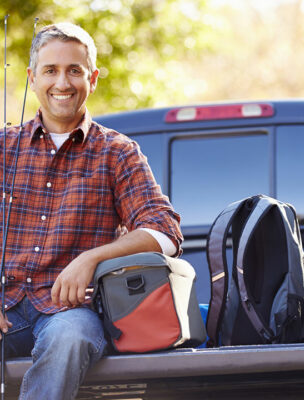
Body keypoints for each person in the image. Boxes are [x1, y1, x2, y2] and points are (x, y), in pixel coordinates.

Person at [0, 22, 182, 399]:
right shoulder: (4, 148)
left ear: (93, 78)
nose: (62, 82)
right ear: (32, 78)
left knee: (70, 338)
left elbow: (164, 231)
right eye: (50, 70)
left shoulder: (118, 152)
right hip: (6, 306)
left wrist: (92, 259)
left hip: (70, 313)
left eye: (74, 70)